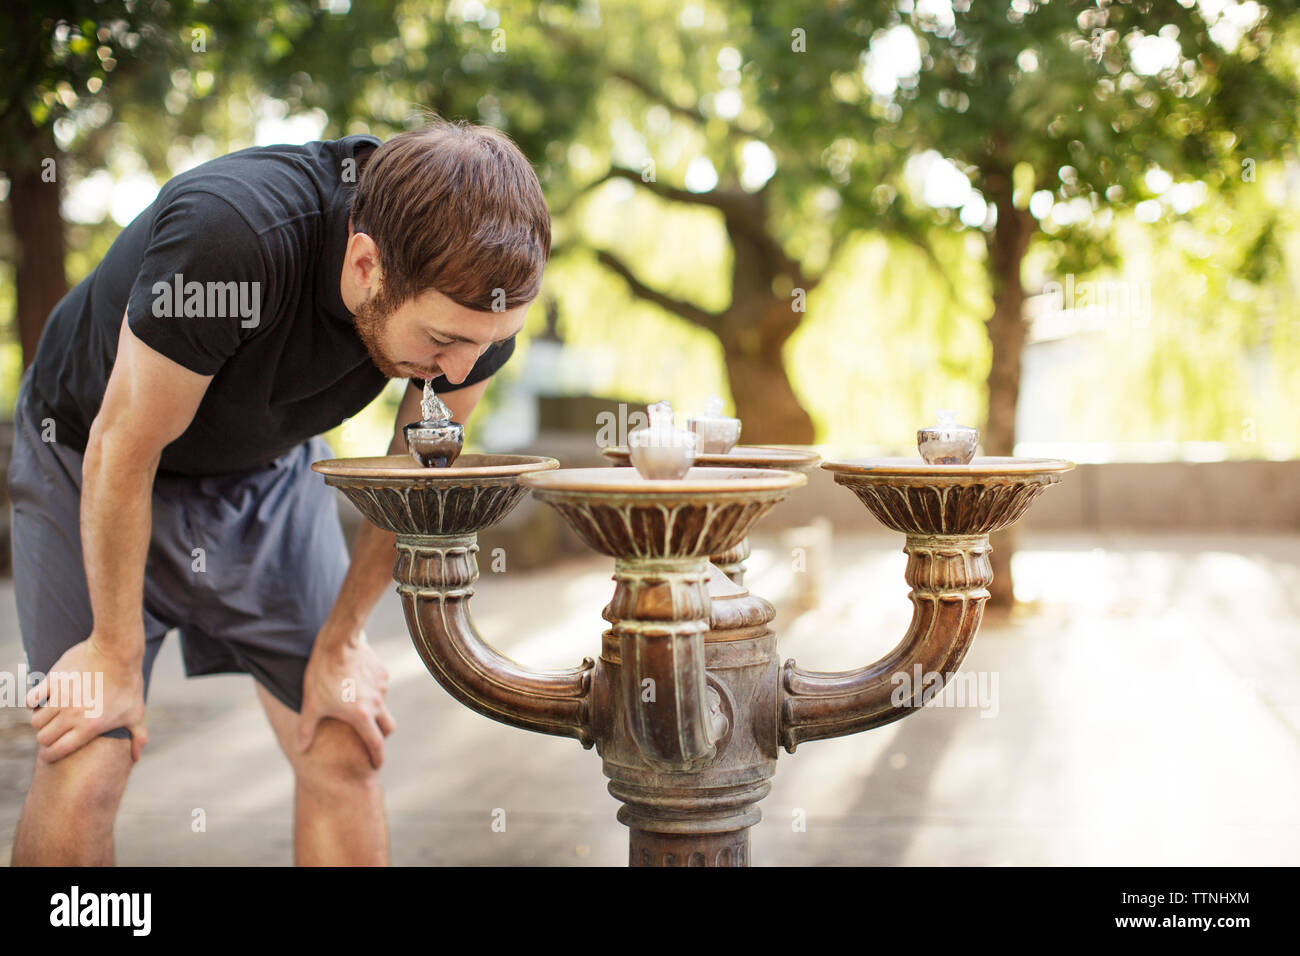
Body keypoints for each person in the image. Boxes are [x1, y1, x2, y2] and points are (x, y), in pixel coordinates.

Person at [6, 116, 550, 865]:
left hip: (265, 470)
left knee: (342, 736)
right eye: (442, 344)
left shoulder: (480, 310)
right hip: (90, 459)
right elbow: (122, 447)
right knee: (88, 755)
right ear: (366, 264)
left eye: (485, 347)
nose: (461, 374)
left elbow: (415, 478)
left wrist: (344, 639)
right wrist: (112, 650)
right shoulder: (231, 239)